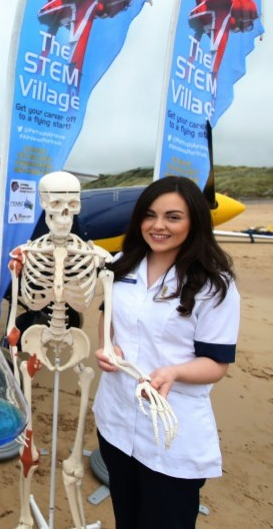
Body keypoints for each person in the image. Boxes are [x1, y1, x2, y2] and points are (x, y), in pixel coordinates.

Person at [92, 176, 240, 529]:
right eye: (150, 215)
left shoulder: (213, 284)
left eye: (173, 217)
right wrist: (106, 346)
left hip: (171, 431)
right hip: (116, 419)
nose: (158, 226)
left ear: (195, 222)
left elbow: (216, 363)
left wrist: (174, 372)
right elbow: (107, 318)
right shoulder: (123, 263)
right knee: (126, 517)